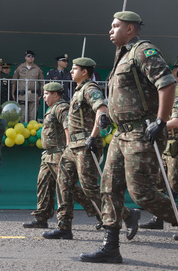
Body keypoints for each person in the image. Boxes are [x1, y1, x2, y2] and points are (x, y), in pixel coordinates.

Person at [80, 11, 178, 264]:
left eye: (116, 26)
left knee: (141, 193)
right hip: (121, 133)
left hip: (141, 132)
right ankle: (111, 247)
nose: (110, 31)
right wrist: (107, 117)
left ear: (131, 29)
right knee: (109, 188)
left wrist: (160, 120)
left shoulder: (143, 52)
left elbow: (166, 83)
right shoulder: (121, 57)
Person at [42, 57, 139, 240]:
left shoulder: (90, 88)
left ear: (84, 72)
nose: (71, 71)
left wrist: (93, 136)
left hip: (86, 145)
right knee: (63, 184)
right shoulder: (78, 90)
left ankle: (127, 214)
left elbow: (101, 108)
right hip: (73, 147)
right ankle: (64, 227)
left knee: (90, 188)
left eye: (74, 68)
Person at [23, 82, 101, 233]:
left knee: (69, 188)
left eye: (46, 94)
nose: (44, 97)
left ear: (55, 94)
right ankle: (42, 217)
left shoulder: (61, 107)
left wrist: (68, 147)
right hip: (48, 155)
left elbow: (68, 126)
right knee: (43, 184)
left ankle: (100, 212)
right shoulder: (51, 108)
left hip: (59, 153)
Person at [139, 61, 178, 237]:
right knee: (161, 184)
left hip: (176, 145)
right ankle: (158, 219)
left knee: (174, 184)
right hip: (169, 145)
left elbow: (177, 121)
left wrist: (158, 126)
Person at [12, 50, 44, 122]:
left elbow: (42, 83)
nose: (30, 58)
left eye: (32, 56)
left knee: (32, 116)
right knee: (22, 116)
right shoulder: (19, 68)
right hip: (22, 95)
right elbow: (14, 81)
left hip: (33, 95)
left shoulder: (38, 69)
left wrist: (41, 95)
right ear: (25, 57)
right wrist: (13, 93)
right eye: (29, 56)